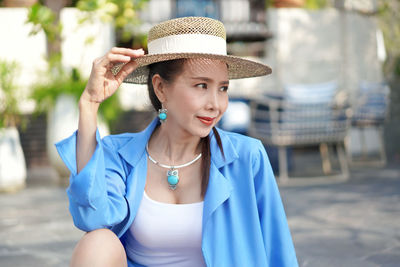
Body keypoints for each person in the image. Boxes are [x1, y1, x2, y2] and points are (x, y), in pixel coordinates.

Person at [56, 16, 298, 267]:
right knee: (97, 243)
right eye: (201, 85)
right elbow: (92, 218)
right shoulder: (120, 155)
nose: (215, 104)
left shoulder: (247, 157)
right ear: (161, 88)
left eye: (223, 88)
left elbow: (276, 245)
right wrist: (89, 105)